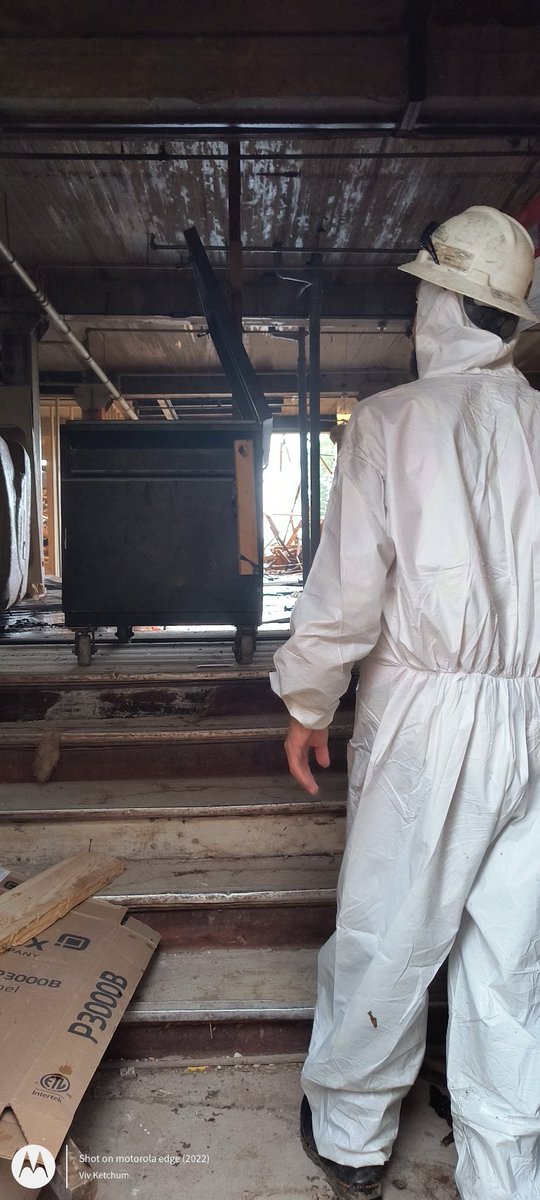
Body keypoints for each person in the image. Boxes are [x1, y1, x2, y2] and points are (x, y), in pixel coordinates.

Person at [270, 206, 540, 1200]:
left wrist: (307, 701)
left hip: (431, 717)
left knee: (391, 926)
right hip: (535, 720)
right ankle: (505, 1167)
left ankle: (350, 1133)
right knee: (510, 954)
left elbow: (346, 593)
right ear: (508, 322)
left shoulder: (389, 424)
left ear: (438, 305)